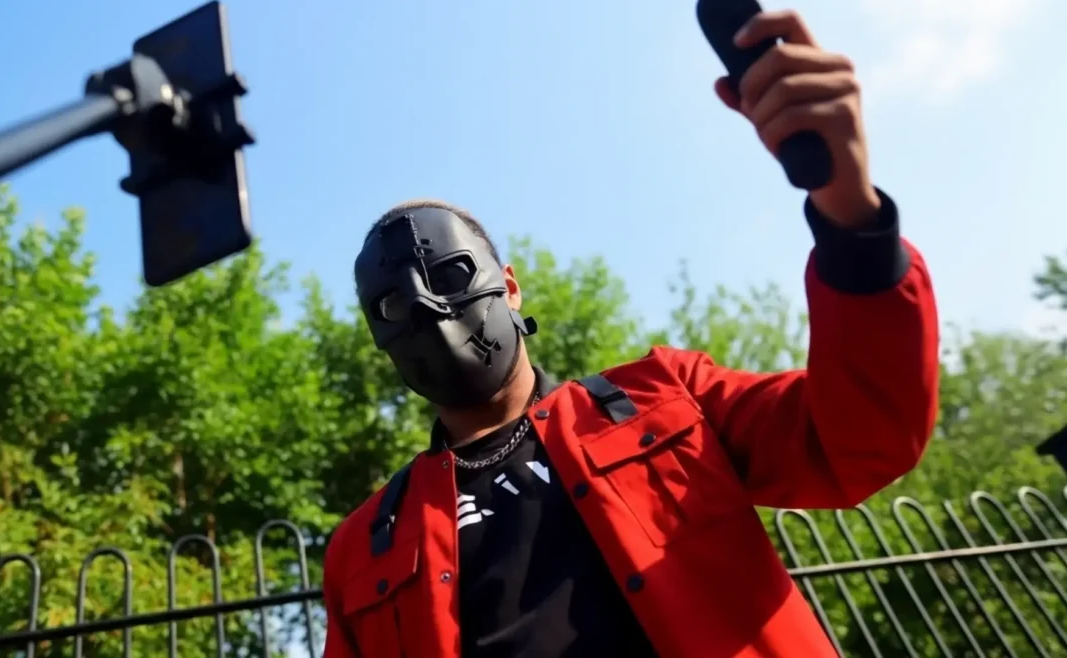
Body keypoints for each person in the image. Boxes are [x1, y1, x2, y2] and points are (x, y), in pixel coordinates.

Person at [321, 9, 938, 658]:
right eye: (392, 304)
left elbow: (864, 437)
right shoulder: (361, 549)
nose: (428, 312)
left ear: (509, 286)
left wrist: (849, 211)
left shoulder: (665, 396)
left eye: (450, 275)